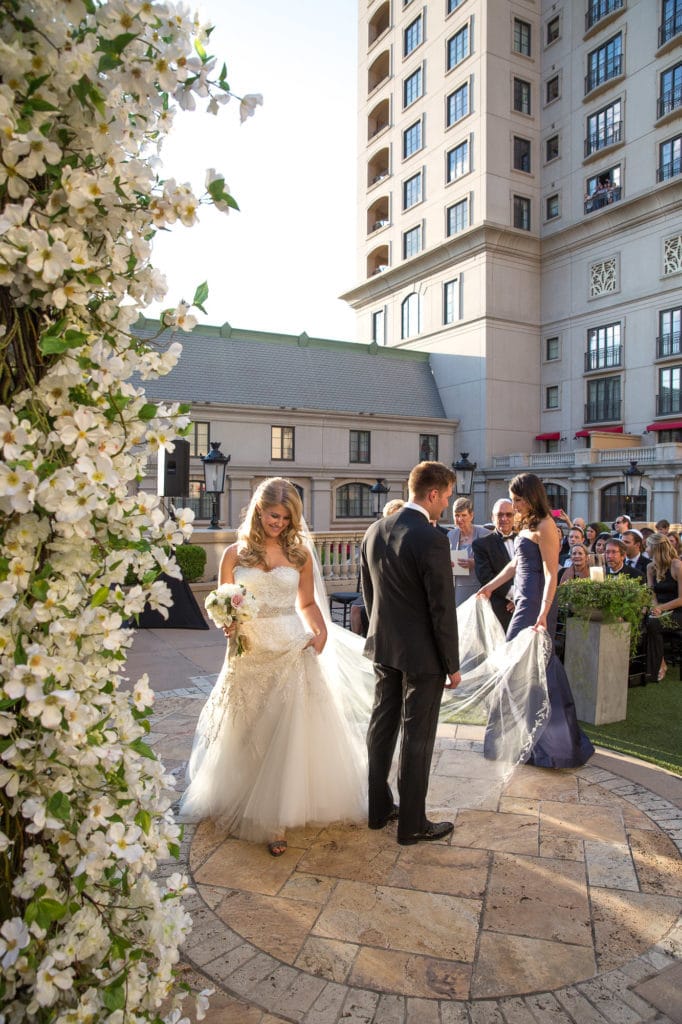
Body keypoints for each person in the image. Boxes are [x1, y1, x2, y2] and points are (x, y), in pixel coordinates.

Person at [179, 478, 366, 856]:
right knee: (247, 729)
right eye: (271, 515)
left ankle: (275, 819)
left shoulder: (300, 556)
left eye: (284, 517)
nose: (277, 523)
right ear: (258, 511)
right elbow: (221, 602)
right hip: (247, 650)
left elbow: (309, 604)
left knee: (287, 729)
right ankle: (243, 797)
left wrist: (319, 631)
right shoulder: (234, 554)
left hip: (291, 646)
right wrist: (227, 623)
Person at [361, 461, 461, 846]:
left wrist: (380, 635)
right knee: (418, 736)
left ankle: (378, 810)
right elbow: (442, 609)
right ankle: (412, 824)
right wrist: (451, 664)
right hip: (422, 658)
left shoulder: (374, 531)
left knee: (381, 728)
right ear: (432, 494)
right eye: (446, 497)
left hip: (384, 647)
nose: (446, 505)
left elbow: (371, 596)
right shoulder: (431, 538)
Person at [477, 472, 594, 769]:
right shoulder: (526, 524)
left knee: (530, 670)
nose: (514, 505)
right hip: (523, 603)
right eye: (513, 499)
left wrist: (543, 613)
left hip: (537, 605)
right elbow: (516, 564)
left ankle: (549, 746)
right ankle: (520, 742)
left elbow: (552, 573)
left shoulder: (546, 525)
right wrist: (490, 586)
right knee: (522, 672)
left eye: (518, 499)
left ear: (531, 497)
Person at [350, 499, 405, 637]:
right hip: (375, 584)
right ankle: (356, 642)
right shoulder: (377, 535)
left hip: (395, 590)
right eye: (392, 516)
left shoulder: (406, 537)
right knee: (356, 608)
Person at [472, 498, 516, 631]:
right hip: (499, 608)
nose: (504, 518)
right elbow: (486, 577)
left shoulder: (524, 540)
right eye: (499, 515)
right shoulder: (481, 544)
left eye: (508, 514)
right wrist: (514, 596)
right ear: (492, 517)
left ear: (515, 516)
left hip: (525, 607)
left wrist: (522, 599)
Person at [645, 532, 682, 683]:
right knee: (647, 620)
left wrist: (661, 609)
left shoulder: (677, 566)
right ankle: (660, 663)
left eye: (647, 546)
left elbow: (681, 599)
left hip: (678, 612)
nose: (645, 549)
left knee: (653, 623)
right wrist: (655, 608)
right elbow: (651, 593)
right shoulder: (650, 567)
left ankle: (657, 667)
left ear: (656, 548)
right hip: (661, 611)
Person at [447, 497, 491, 607]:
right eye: (457, 515)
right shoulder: (451, 535)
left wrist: (475, 563)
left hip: (480, 588)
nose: (459, 519)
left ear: (471, 515)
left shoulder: (485, 534)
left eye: (463, 515)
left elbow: (494, 561)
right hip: (457, 590)